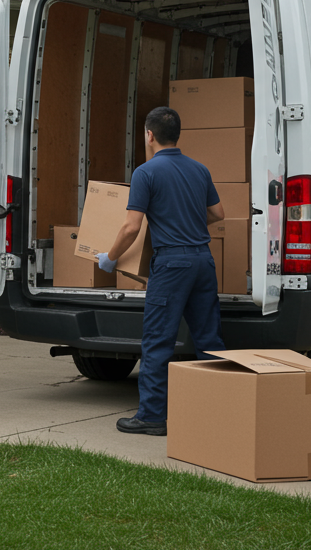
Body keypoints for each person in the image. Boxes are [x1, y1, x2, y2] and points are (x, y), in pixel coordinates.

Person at [96, 106, 227, 435]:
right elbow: (217, 213)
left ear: (149, 135)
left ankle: (152, 416)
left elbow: (131, 227)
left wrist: (110, 259)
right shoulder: (199, 169)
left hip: (172, 265)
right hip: (202, 260)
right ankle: (225, 407)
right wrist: (187, 218)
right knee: (209, 338)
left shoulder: (146, 172)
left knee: (157, 341)